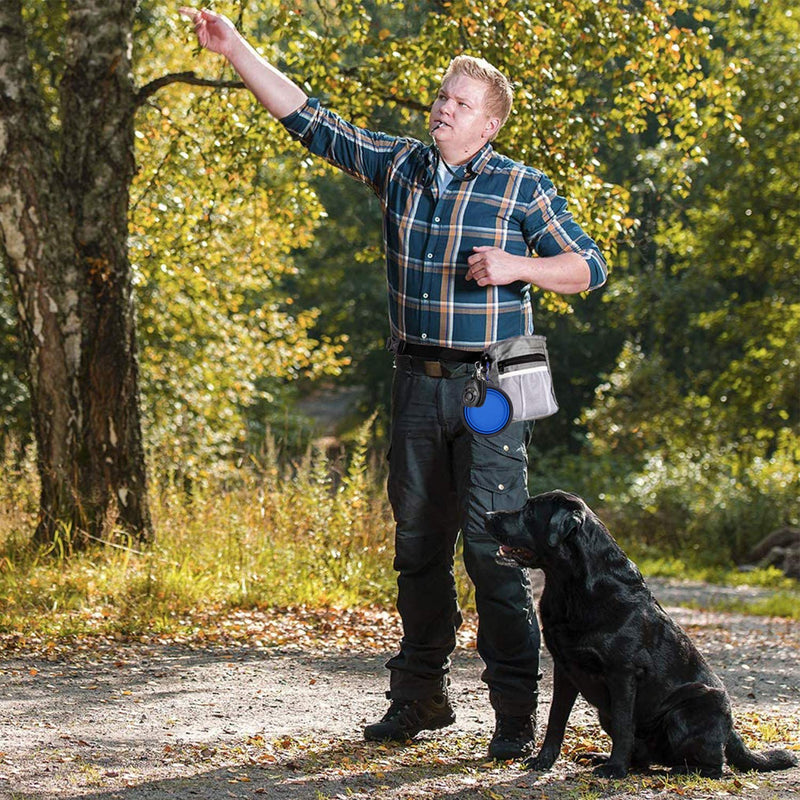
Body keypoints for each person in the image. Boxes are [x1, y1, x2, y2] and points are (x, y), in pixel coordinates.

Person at [180, 7, 607, 760]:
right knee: (418, 549)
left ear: (489, 127)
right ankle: (419, 698)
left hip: (491, 394)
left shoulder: (521, 189)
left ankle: (513, 715)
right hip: (415, 385)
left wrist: (517, 267)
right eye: (442, 96)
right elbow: (310, 120)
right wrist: (235, 46)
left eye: (461, 104)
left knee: (492, 550)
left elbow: (588, 269)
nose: (443, 109)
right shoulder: (402, 166)